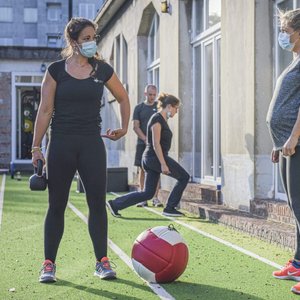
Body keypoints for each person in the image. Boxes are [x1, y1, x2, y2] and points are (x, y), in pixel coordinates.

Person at [31, 17, 130, 283]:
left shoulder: (102, 70)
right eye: (86, 38)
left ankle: (102, 262)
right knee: (56, 205)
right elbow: (44, 110)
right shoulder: (55, 71)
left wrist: (124, 127)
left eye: (93, 37)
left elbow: (123, 97)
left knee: (96, 203)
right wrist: (35, 147)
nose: (92, 42)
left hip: (91, 145)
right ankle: (48, 264)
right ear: (73, 41)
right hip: (61, 144)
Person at [107, 93, 190, 218]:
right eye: (176, 108)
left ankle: (115, 204)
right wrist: (163, 164)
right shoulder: (157, 119)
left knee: (148, 193)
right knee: (184, 177)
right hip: (154, 158)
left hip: (152, 159)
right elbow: (156, 143)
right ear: (168, 106)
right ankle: (170, 208)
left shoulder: (161, 120)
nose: (176, 111)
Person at [266, 8, 300, 296]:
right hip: (287, 145)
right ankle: (299, 262)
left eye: (286, 31)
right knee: (296, 208)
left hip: (297, 143)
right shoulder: (295, 60)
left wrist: (293, 135)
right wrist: (279, 142)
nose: (283, 35)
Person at [133, 84, 163, 207]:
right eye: (150, 94)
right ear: (145, 94)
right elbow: (135, 126)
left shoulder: (158, 107)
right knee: (142, 169)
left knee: (156, 169)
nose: (152, 97)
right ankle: (142, 198)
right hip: (142, 143)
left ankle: (155, 198)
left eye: (154, 95)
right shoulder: (138, 108)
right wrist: (145, 139)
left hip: (156, 144)